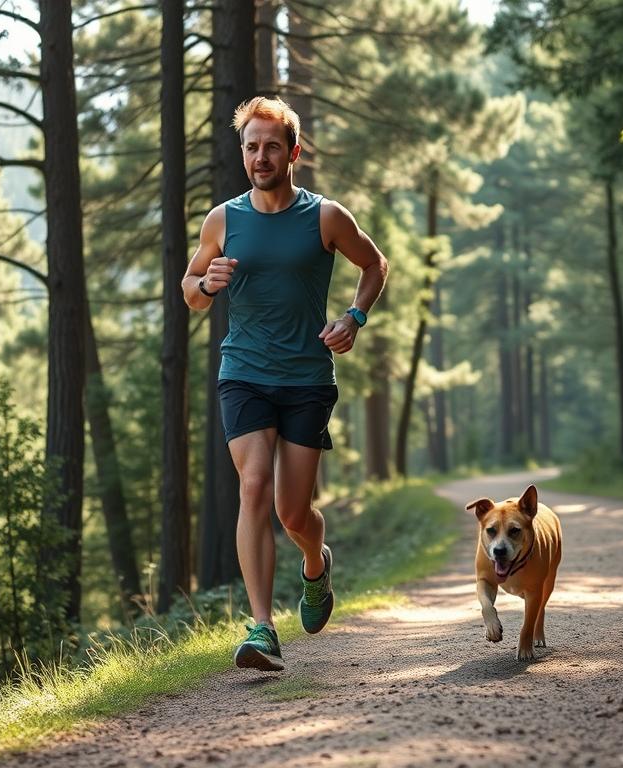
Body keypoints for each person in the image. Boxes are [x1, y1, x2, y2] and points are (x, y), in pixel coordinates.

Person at [182, 97, 388, 671]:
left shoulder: (325, 217)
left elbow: (375, 264)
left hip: (306, 379)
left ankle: (316, 563)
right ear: (242, 153)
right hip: (243, 373)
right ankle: (262, 628)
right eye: (251, 147)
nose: (261, 157)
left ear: (293, 152)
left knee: (293, 513)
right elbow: (191, 291)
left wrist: (355, 317)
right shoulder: (223, 220)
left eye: (272, 147)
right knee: (253, 487)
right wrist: (207, 282)